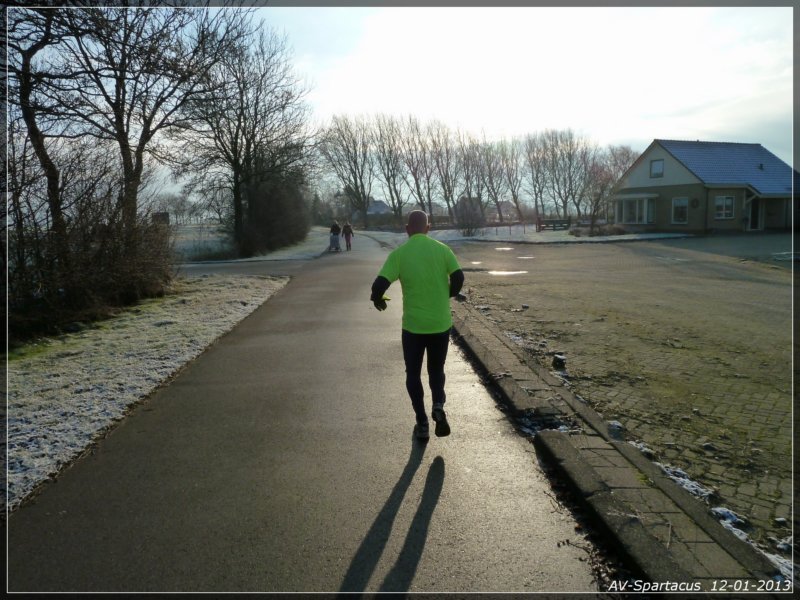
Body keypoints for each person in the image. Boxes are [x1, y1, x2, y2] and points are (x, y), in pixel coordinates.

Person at [370, 210, 465, 441]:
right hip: (440, 324)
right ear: (428, 228)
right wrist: (447, 295)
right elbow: (459, 277)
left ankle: (422, 421)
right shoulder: (443, 250)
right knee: (436, 370)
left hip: (413, 328)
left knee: (413, 373)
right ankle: (439, 405)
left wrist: (379, 300)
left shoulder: (399, 255)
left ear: (407, 229)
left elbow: (378, 286)